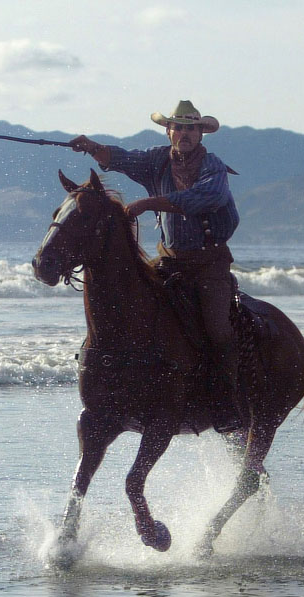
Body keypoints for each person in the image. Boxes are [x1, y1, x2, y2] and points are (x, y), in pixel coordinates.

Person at [69, 100, 241, 426]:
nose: (184, 133)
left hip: (209, 264)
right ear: (169, 130)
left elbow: (208, 197)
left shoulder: (213, 167)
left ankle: (225, 400)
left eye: (191, 128)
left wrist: (150, 202)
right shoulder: (155, 160)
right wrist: (92, 147)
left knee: (218, 328)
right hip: (170, 260)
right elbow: (121, 159)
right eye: (179, 127)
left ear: (201, 133)